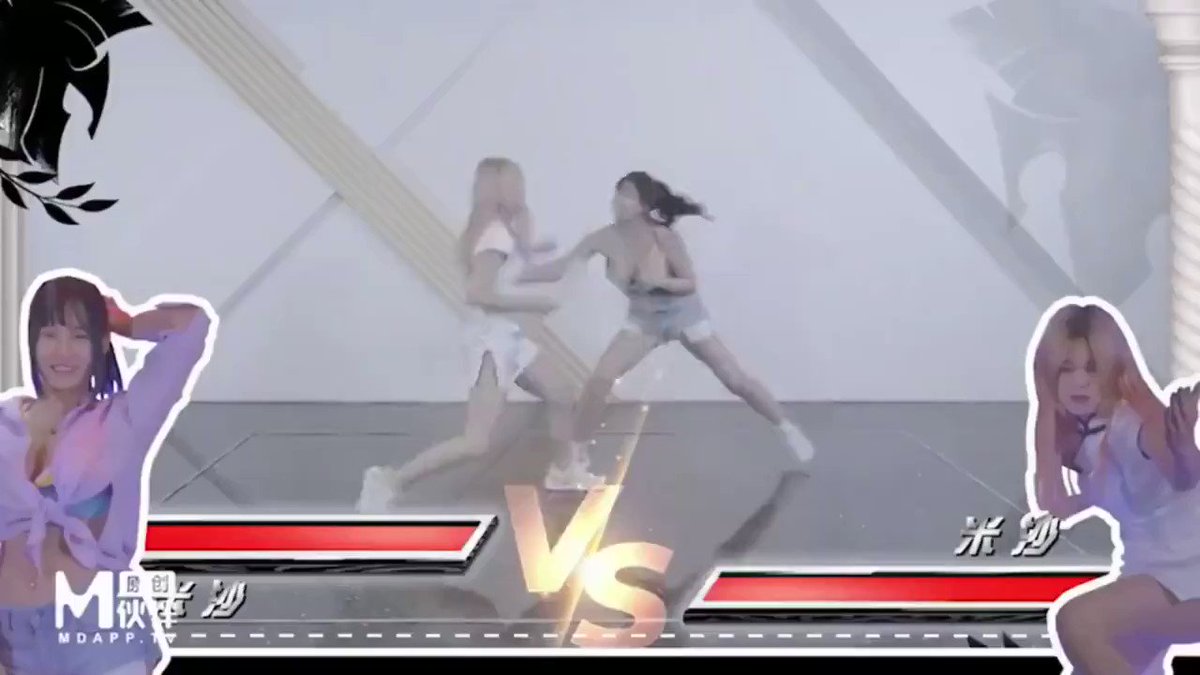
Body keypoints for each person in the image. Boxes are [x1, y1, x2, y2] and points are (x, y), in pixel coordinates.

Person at [0, 271, 216, 675]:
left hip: (101, 635)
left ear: (100, 344)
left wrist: (123, 321)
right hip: (17, 642)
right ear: (32, 341)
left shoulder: (124, 419)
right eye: (50, 334)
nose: (63, 350)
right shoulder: (4, 422)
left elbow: (191, 326)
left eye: (80, 335)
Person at [357, 157, 602, 513]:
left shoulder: (507, 230)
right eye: (513, 184)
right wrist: (534, 303)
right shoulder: (495, 236)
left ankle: (565, 471)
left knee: (562, 393)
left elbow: (518, 273)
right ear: (497, 190)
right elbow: (477, 293)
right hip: (493, 343)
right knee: (476, 442)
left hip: (512, 336)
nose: (521, 190)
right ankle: (390, 479)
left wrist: (565, 263)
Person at [523, 171, 815, 467]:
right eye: (618, 193)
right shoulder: (603, 238)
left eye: (628, 195)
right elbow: (562, 267)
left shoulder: (663, 237)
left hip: (684, 317)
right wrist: (518, 274)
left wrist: (659, 282)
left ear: (643, 204)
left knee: (735, 379)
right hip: (643, 322)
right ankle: (577, 450)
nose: (619, 200)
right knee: (600, 379)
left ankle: (786, 428)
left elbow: (689, 282)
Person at [1028, 300, 1200, 675]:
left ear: (1113, 369)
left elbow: (1184, 477)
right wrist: (1046, 418)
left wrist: (1184, 444)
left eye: (1092, 367)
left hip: (1185, 578)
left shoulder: (1131, 425)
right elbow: (1053, 505)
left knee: (1077, 622)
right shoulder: (1090, 441)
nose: (1080, 381)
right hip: (1149, 578)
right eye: (1067, 368)